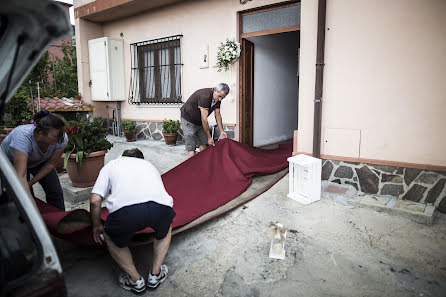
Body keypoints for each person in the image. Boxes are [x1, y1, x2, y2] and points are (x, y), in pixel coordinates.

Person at [90, 148, 176, 293]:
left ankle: (135, 281)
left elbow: (94, 200)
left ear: (122, 156)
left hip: (126, 213)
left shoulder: (112, 165)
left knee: (110, 235)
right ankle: (155, 275)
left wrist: (96, 225)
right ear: (141, 159)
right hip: (160, 208)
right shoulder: (149, 165)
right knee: (166, 228)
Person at [1, 110, 67, 210]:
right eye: (55, 136)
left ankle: (60, 220)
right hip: (11, 162)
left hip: (40, 161)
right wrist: (32, 207)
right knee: (24, 195)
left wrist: (31, 182)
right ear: (41, 133)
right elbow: (21, 175)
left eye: (61, 135)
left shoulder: (61, 138)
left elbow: (50, 164)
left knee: (55, 191)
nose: (59, 139)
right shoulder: (22, 136)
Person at [180, 83, 230, 158]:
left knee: (204, 144)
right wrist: (209, 137)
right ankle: (192, 168)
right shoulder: (205, 96)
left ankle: (203, 166)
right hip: (188, 120)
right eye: (219, 96)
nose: (220, 99)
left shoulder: (218, 99)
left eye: (222, 98)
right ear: (215, 90)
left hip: (199, 121)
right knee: (191, 148)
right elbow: (204, 119)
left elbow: (218, 115)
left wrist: (222, 131)